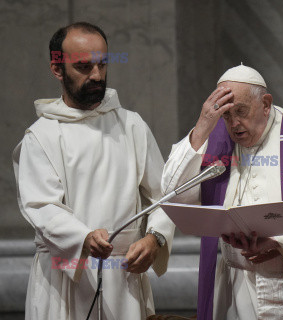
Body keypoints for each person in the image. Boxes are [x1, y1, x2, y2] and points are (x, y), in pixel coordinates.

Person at [162, 64, 283, 320]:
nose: (233, 124)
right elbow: (173, 194)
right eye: (226, 115)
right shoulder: (215, 142)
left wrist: (282, 245)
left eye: (241, 112)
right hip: (240, 287)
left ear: (265, 103)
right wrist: (202, 126)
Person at [12, 22, 175, 319]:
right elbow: (41, 206)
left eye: (102, 65)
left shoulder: (131, 126)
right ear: (57, 69)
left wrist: (155, 238)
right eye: (84, 67)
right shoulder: (42, 135)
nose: (97, 76)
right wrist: (83, 237)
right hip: (63, 279)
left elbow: (165, 195)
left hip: (124, 276)